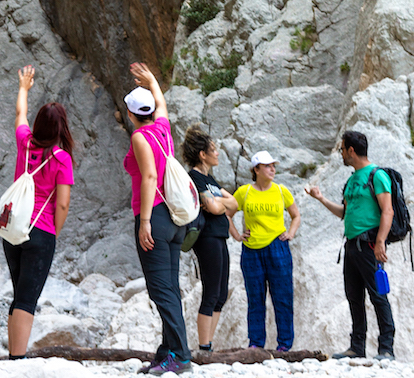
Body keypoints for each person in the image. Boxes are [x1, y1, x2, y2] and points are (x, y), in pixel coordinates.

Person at [123, 62, 191, 377]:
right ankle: (167, 353)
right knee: (169, 288)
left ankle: (181, 356)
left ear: (131, 114)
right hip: (175, 221)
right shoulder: (163, 128)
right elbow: (161, 104)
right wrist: (152, 80)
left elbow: (149, 176)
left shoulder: (140, 136)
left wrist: (145, 222)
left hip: (156, 217)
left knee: (161, 291)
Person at [305, 129, 395, 361]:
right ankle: (357, 347)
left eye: (342, 150)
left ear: (351, 150)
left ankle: (386, 348)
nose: (341, 154)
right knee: (354, 297)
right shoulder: (351, 180)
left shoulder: (377, 175)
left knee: (378, 295)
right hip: (351, 245)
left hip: (369, 244)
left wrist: (380, 241)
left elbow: (388, 210)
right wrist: (321, 199)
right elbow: (344, 213)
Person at [3, 65, 74, 360]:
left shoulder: (25, 143)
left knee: (19, 292)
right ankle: (17, 359)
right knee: (27, 298)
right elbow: (63, 204)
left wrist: (23, 87)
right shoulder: (61, 159)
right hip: (40, 232)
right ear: (61, 129)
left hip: (12, 230)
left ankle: (13, 353)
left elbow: (20, 114)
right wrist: (54, 232)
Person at [230, 150, 300, 353]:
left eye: (273, 166)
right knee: (255, 298)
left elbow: (296, 215)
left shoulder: (281, 190)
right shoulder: (244, 192)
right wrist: (237, 235)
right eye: (267, 166)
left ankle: (284, 345)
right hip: (251, 250)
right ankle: (256, 344)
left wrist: (291, 233)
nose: (272, 169)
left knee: (283, 296)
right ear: (256, 169)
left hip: (278, 247)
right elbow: (227, 214)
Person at [181, 125, 237, 354]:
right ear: (202, 154)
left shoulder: (209, 180)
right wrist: (219, 203)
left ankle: (209, 345)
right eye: (213, 149)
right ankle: (204, 348)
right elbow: (215, 208)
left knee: (221, 294)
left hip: (220, 236)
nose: (217, 153)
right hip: (207, 238)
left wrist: (217, 203)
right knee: (211, 291)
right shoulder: (195, 178)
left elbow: (234, 203)